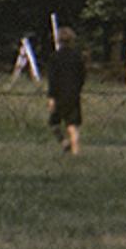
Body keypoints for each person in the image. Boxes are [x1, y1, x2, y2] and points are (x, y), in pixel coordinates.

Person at [45, 14, 87, 154]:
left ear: (58, 40)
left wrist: (51, 97)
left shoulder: (54, 58)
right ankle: (76, 151)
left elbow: (52, 78)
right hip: (74, 95)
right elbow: (82, 76)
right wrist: (78, 89)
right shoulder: (78, 58)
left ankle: (64, 142)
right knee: (72, 125)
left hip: (59, 95)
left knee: (54, 123)